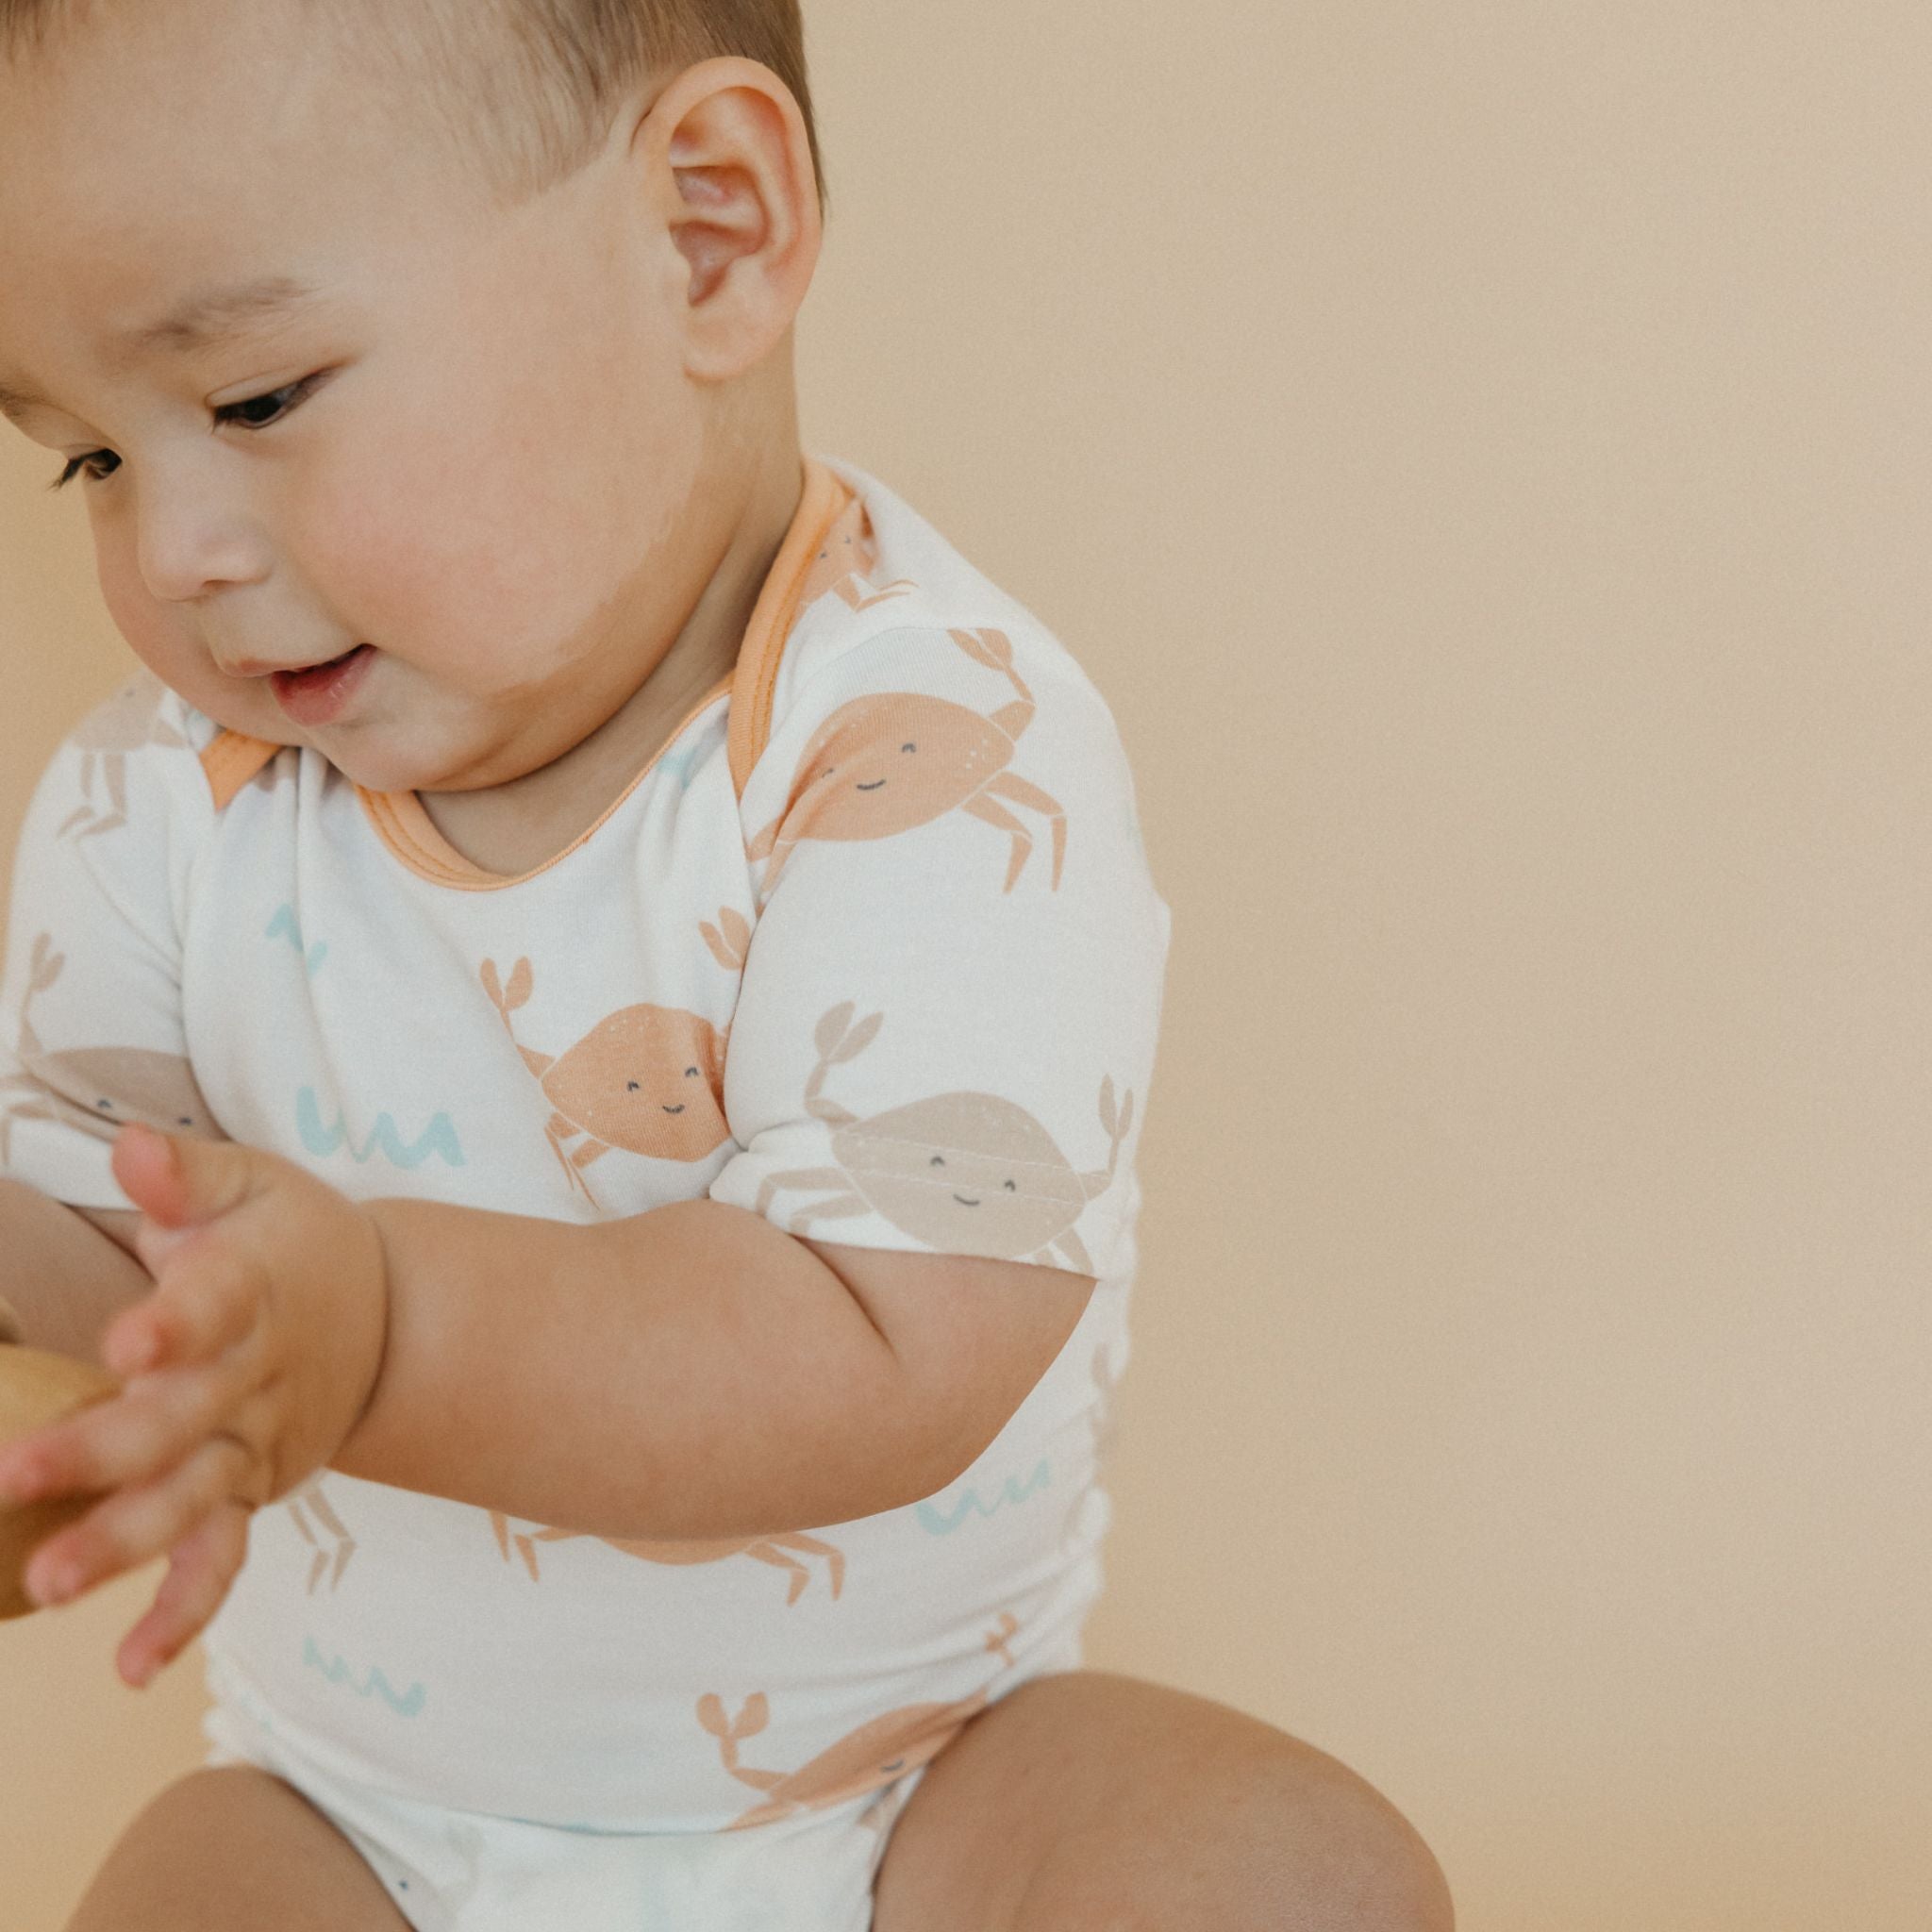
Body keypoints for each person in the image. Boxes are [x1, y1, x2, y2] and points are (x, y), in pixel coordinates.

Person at [0, 1, 1455, 1925]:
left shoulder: (926, 744)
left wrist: (383, 1326)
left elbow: (883, 1342)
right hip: (358, 1815)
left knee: (1295, 1877)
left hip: (915, 1785)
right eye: (91, 457)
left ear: (706, 231)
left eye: (257, 398)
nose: (172, 548)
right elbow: (114, 1252)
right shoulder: (163, 800)